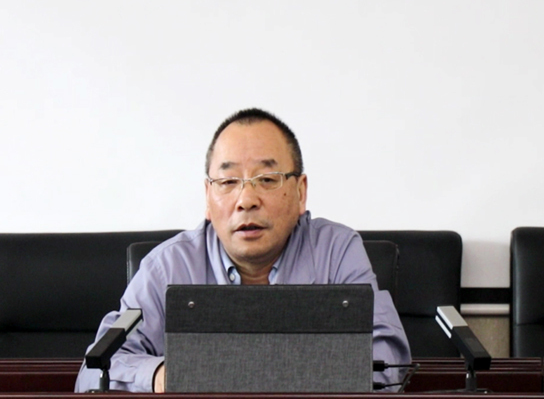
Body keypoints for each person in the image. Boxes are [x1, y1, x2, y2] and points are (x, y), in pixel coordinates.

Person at [75, 108, 411, 393]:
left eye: (267, 179)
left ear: (300, 192)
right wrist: (161, 375)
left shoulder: (336, 252)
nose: (246, 200)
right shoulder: (167, 267)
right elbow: (92, 374)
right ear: (208, 197)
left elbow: (390, 363)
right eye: (228, 182)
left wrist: (255, 375)